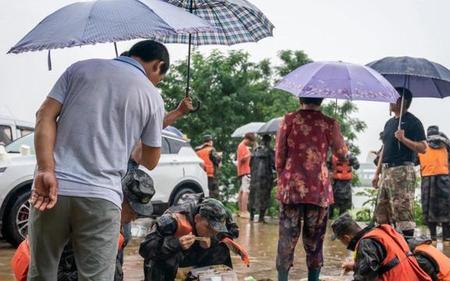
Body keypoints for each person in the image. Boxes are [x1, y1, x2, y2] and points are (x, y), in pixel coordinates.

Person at [28, 40, 170, 280]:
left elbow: (44, 115)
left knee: (41, 272)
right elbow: (150, 160)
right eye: (160, 76)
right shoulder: (152, 96)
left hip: (52, 188)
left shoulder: (80, 69)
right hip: (101, 197)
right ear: (159, 65)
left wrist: (46, 169)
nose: (157, 81)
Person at [11, 168, 155, 281]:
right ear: (119, 199)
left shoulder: (118, 227)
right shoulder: (89, 219)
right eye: (133, 211)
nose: (134, 218)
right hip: (49, 268)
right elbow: (54, 270)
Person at [275, 97, 347, 281]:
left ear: (300, 98)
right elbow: (342, 154)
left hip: (291, 188)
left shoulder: (289, 119)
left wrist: (282, 177)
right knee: (315, 242)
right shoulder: (329, 123)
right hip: (318, 190)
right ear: (321, 99)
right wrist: (336, 132)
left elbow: (279, 155)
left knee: (286, 239)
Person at [139, 196, 242, 281]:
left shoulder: (222, 214)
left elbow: (234, 232)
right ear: (197, 218)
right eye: (209, 228)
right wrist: (176, 243)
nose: (211, 232)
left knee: (221, 246)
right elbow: (145, 249)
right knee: (166, 257)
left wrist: (214, 240)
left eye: (216, 229)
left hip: (196, 254)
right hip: (177, 257)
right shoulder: (172, 219)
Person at [372, 87, 427, 237]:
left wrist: (404, 139)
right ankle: (386, 248)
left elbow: (423, 148)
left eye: (393, 98)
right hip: (386, 171)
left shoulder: (413, 122)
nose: (390, 101)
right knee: (381, 212)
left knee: (403, 211)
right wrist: (377, 174)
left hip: (403, 171)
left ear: (404, 101)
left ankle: (409, 250)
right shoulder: (389, 123)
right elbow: (384, 149)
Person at [331, 213, 431, 281]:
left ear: (346, 237)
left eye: (340, 240)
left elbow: (365, 278)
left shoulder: (366, 244)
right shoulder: (381, 233)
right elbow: (383, 264)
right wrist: (355, 266)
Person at [418, 126, 450, 245]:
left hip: (427, 179)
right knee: (446, 208)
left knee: (428, 208)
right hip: (444, 179)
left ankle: (433, 237)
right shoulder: (446, 145)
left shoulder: (423, 145)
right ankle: (447, 237)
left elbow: (415, 160)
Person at [248, 134, 275, 223]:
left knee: (252, 196)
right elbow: (275, 165)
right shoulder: (270, 152)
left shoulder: (255, 151)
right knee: (264, 196)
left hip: (254, 177)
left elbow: (250, 164)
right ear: (268, 141)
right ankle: (261, 218)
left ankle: (251, 217)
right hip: (266, 177)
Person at [329, 145, 360, 217]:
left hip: (345, 185)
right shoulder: (332, 156)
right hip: (335, 184)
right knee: (331, 206)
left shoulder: (350, 156)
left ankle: (341, 222)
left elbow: (357, 166)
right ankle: (330, 221)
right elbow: (327, 167)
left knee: (343, 209)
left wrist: (350, 160)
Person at [195, 135, 222, 199]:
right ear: (210, 141)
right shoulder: (211, 149)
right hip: (211, 175)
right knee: (213, 193)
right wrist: (220, 156)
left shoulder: (197, 151)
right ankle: (212, 208)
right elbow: (217, 160)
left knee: (203, 193)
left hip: (200, 175)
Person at [236, 132, 256, 219]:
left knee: (241, 191)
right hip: (245, 171)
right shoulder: (242, 146)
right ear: (247, 139)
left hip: (242, 171)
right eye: (251, 141)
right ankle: (244, 211)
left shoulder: (242, 146)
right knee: (246, 191)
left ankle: (241, 210)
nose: (251, 143)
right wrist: (249, 154)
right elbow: (241, 159)